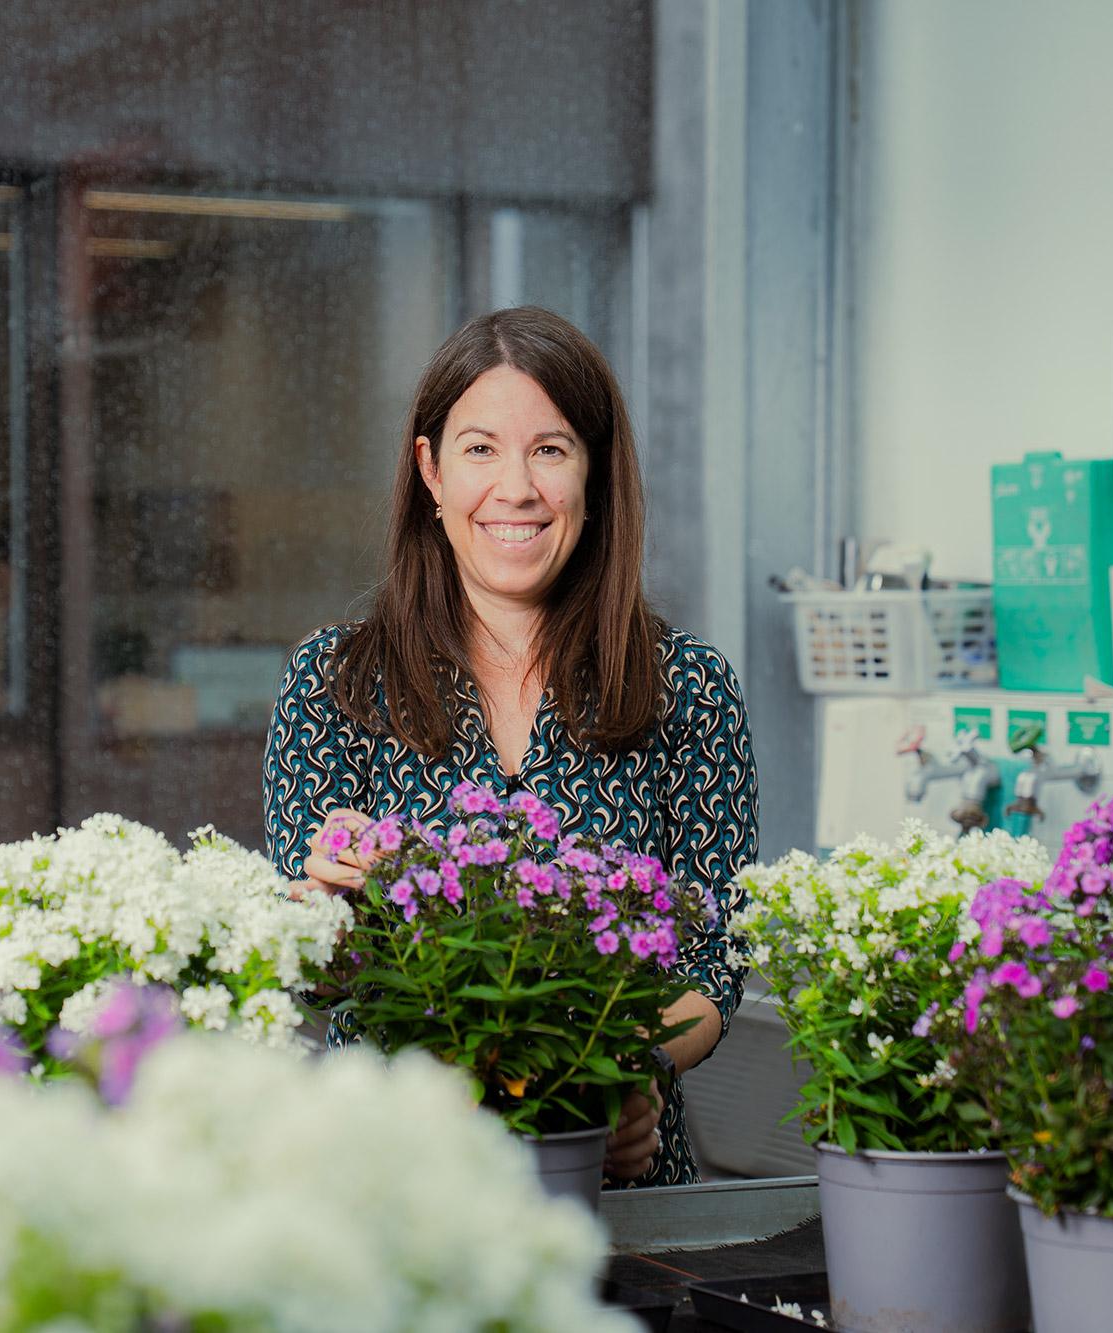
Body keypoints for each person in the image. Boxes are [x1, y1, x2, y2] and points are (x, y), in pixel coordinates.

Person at [262, 306, 755, 1187]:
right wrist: (318, 905)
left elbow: (714, 962)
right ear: (430, 472)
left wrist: (621, 1084)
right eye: (481, 448)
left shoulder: (690, 688)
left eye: (551, 449)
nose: (516, 488)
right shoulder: (333, 681)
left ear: (595, 476)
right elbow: (310, 972)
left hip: (613, 1181)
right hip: (391, 1183)